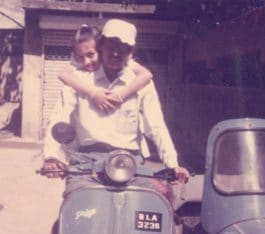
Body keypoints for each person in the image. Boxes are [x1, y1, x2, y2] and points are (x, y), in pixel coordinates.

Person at [42, 19, 189, 196]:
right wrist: (51, 156)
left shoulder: (141, 83)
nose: (116, 52)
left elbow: (156, 126)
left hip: (131, 163)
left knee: (158, 202)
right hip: (87, 163)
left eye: (124, 47)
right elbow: (59, 118)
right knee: (75, 206)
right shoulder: (79, 80)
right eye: (112, 45)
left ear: (131, 51)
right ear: (101, 44)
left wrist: (173, 164)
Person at [58, 24, 153, 111]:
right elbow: (62, 75)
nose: (86, 62)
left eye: (91, 54)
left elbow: (146, 75)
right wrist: (92, 93)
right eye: (80, 57)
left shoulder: (124, 61)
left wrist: (120, 96)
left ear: (100, 48)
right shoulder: (78, 63)